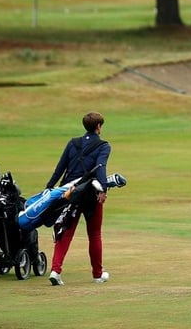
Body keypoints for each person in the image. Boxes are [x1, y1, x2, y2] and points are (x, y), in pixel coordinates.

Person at [45, 111, 111, 285]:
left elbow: (60, 168)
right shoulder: (104, 146)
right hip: (90, 193)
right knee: (94, 234)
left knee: (65, 231)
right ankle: (97, 274)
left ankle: (55, 270)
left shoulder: (73, 143)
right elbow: (100, 168)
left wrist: (49, 188)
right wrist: (103, 190)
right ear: (98, 127)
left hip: (70, 193)